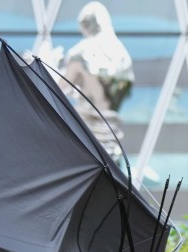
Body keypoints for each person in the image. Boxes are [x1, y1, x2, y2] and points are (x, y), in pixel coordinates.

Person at [55, 1, 134, 162]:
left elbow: (59, 88)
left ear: (86, 25)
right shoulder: (122, 55)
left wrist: (51, 64)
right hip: (112, 134)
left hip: (87, 131)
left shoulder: (81, 53)